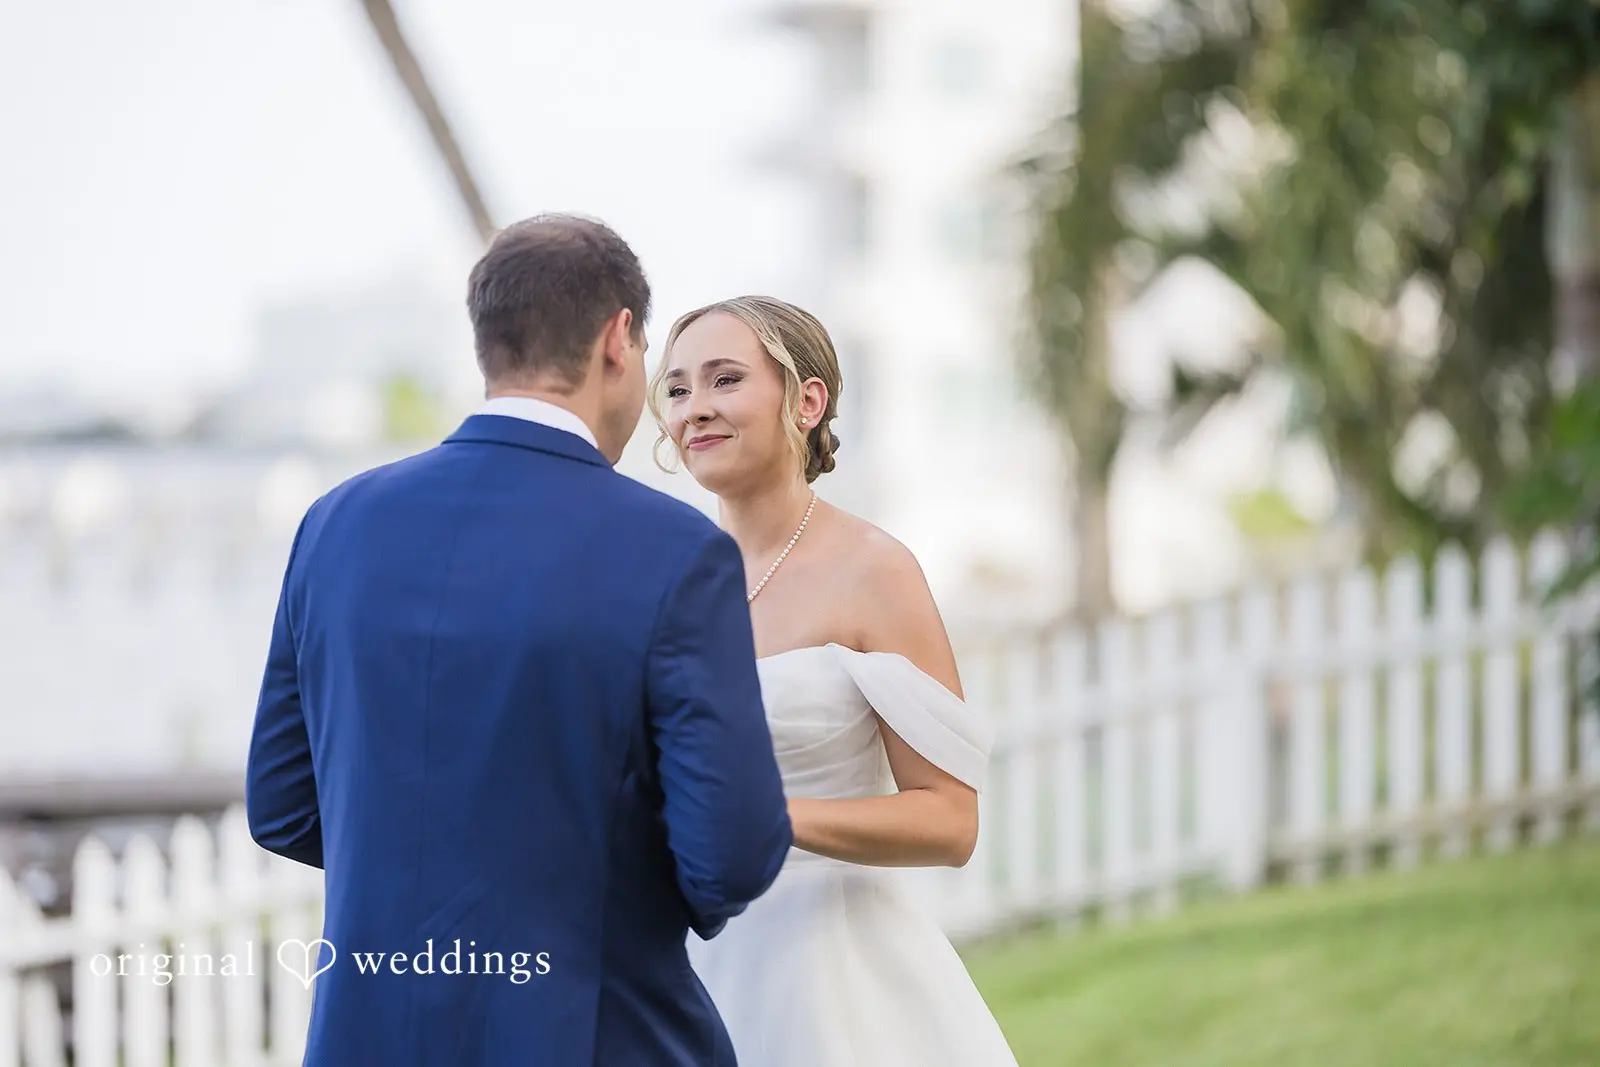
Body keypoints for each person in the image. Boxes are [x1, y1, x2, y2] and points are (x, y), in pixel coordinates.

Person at [244, 215, 793, 1067]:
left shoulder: (335, 525)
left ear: (487, 344)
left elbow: (281, 802)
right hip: (597, 1035)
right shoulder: (675, 550)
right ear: (619, 339)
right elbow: (732, 852)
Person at [648, 295, 1020, 1065]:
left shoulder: (873, 569)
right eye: (678, 389)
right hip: (693, 973)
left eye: (725, 380)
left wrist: (771, 816)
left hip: (839, 981)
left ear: (807, 401)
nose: (696, 409)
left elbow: (950, 821)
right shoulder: (667, 581)